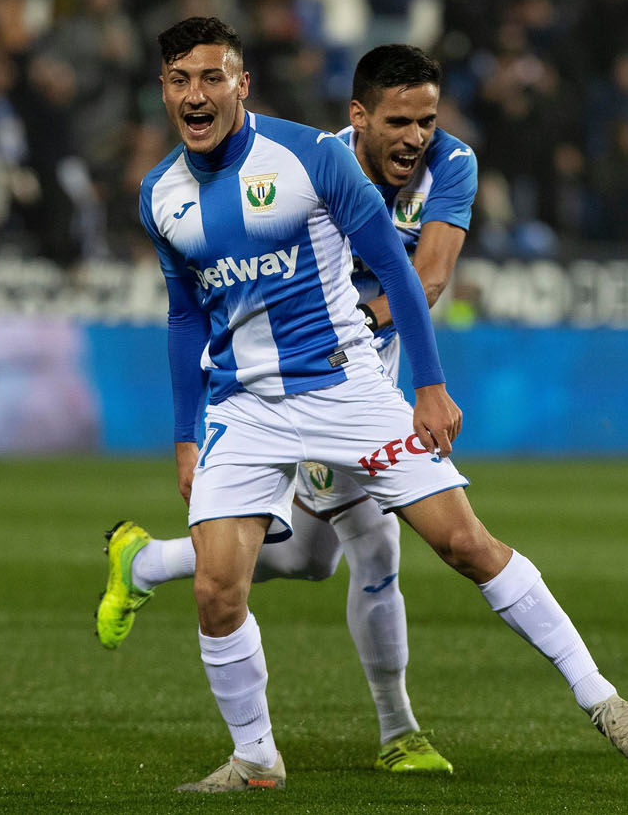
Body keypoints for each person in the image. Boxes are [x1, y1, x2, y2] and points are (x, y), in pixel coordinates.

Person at [135, 16, 628, 793]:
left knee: (462, 544)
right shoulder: (160, 195)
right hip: (242, 406)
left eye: (213, 77)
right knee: (218, 590)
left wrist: (429, 386)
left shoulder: (309, 158)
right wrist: (186, 437)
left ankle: (601, 698)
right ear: (165, 91)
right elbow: (186, 317)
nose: (197, 93)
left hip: (349, 387)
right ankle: (255, 759)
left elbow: (400, 269)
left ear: (242, 84)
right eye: (182, 80)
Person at [98, 44, 471, 774]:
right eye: (399, 120)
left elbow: (423, 278)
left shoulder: (451, 164)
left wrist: (397, 360)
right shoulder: (305, 162)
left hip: (362, 371)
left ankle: (143, 564)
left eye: (425, 120)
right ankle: (398, 732)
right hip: (309, 380)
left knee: (307, 558)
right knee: (375, 547)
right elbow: (198, 303)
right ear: (360, 119)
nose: (415, 136)